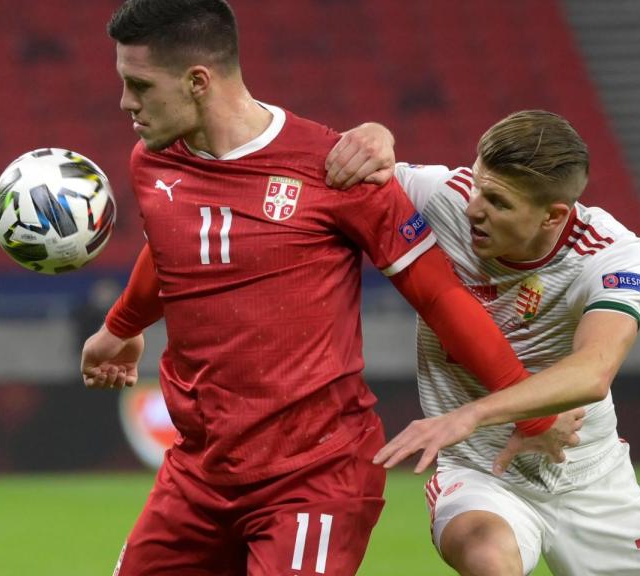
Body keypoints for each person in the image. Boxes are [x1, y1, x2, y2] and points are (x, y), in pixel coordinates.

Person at [79, 2, 580, 574]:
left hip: (313, 476)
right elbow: (169, 248)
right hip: (199, 472)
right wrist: (120, 328)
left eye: (138, 84)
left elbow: (440, 297)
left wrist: (533, 411)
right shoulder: (152, 164)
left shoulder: (335, 170)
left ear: (198, 82)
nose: (126, 103)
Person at [342, 111, 640, 575]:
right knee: (488, 557)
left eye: (497, 202)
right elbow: (333, 163)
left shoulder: (610, 253)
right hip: (480, 472)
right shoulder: (442, 197)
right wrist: (373, 135)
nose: (472, 208)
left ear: (554, 215)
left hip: (588, 475)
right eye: (478, 184)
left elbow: (594, 369)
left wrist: (472, 414)